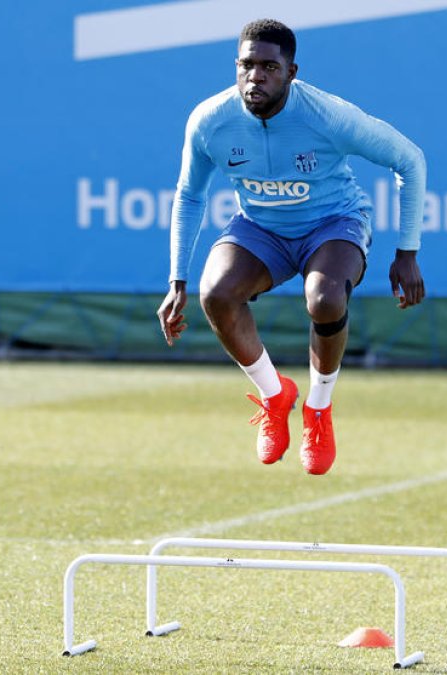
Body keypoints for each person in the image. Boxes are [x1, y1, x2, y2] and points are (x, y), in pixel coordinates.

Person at [157, 18, 426, 476]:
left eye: (269, 67)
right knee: (216, 294)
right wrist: (176, 280)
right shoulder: (210, 121)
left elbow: (410, 160)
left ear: (291, 71)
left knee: (324, 299)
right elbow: (189, 195)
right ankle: (275, 395)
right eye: (246, 65)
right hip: (260, 227)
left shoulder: (327, 116)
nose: (255, 76)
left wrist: (407, 252)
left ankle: (318, 412)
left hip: (333, 222)